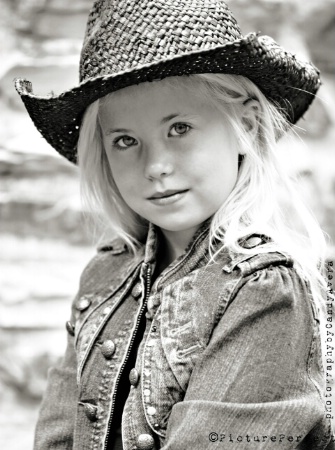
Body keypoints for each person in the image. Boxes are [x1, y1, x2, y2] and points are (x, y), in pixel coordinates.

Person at [15, 0, 333, 449]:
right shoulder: (104, 276)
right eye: (126, 141)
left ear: (245, 123)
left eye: (179, 128)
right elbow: (58, 436)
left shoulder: (265, 290)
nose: (156, 166)